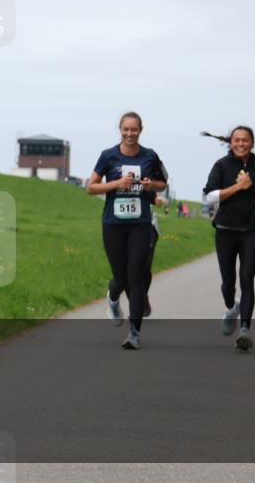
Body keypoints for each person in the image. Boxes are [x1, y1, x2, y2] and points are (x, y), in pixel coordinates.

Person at [87, 112, 167, 349]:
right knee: (120, 278)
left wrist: (152, 185)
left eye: (134, 130)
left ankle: (134, 333)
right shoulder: (108, 156)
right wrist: (116, 184)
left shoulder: (150, 156)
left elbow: (163, 183)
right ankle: (113, 300)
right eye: (126, 130)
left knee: (136, 277)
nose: (130, 134)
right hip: (113, 224)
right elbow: (91, 187)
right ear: (120, 130)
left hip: (140, 224)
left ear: (141, 130)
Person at [202, 126, 255, 351]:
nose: (241, 144)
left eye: (245, 140)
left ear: (252, 143)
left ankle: (244, 331)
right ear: (231, 142)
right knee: (228, 283)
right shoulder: (221, 165)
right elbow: (209, 196)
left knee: (247, 279)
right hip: (225, 230)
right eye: (237, 140)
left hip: (251, 230)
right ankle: (230, 308)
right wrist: (237, 187)